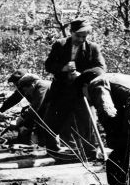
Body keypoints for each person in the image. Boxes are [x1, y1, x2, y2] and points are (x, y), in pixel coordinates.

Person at [43, 18, 106, 159]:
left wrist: (82, 75)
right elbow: (48, 65)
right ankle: (53, 151)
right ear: (71, 33)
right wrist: (62, 68)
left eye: (84, 36)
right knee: (52, 119)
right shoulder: (60, 45)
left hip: (80, 91)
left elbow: (101, 69)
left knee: (87, 120)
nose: (82, 39)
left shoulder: (92, 48)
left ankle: (90, 152)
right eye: (78, 36)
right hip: (60, 90)